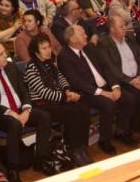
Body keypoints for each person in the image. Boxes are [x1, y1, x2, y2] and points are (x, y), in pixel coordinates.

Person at [0, 41, 57, 182]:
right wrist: (9, 112)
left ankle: (40, 159)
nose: (6, 55)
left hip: (20, 108)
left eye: (4, 52)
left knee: (44, 116)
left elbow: (24, 90)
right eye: (1, 54)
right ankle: (13, 168)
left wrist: (26, 109)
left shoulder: (11, 67)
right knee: (14, 123)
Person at [58, 24, 135, 155]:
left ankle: (122, 131)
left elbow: (106, 67)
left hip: (103, 86)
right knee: (108, 104)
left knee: (128, 98)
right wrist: (103, 93)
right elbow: (76, 82)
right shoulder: (64, 56)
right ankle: (105, 140)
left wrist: (115, 87)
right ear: (72, 39)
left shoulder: (89, 48)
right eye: (82, 34)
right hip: (87, 92)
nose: (86, 36)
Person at [21, 32, 92, 167]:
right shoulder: (31, 68)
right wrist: (66, 97)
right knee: (72, 112)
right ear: (36, 52)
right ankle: (73, 149)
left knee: (82, 107)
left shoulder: (49, 64)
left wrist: (67, 90)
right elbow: (43, 92)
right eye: (44, 48)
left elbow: (61, 78)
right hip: (42, 104)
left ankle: (82, 146)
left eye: (49, 47)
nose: (48, 51)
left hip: (57, 100)